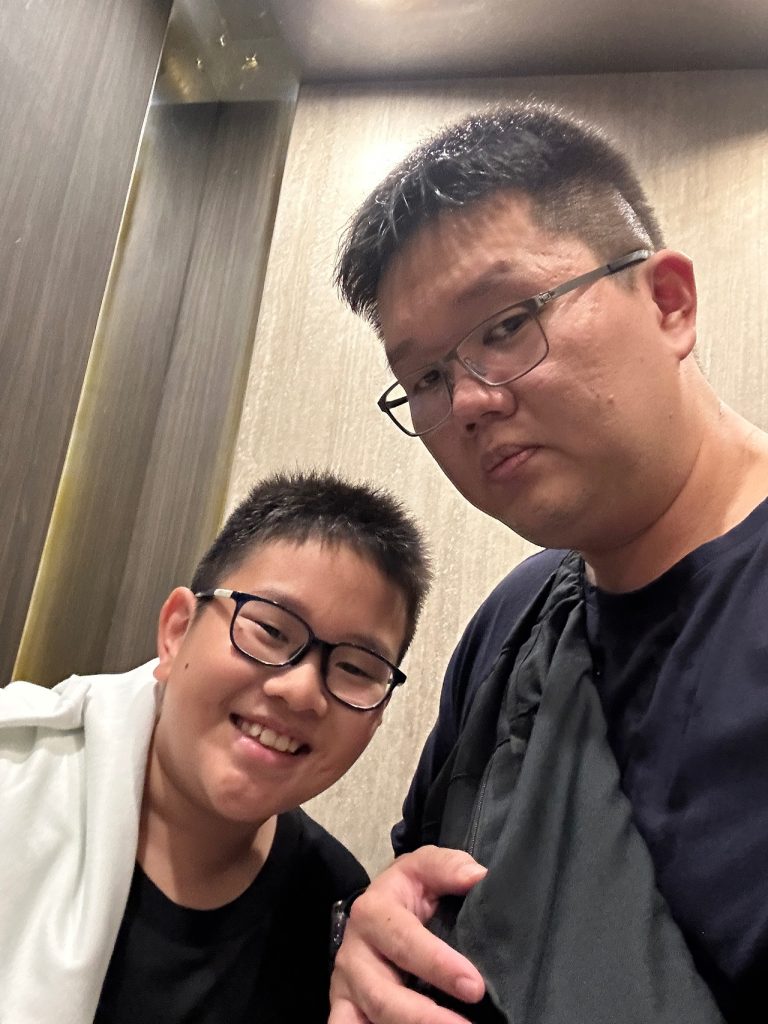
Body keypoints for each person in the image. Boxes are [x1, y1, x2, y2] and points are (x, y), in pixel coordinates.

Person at [330, 102, 768, 1024]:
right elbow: (436, 892)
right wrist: (376, 938)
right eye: (426, 378)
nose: (469, 403)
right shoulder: (518, 622)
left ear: (669, 303)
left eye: (505, 324)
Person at [0, 470, 431, 1024]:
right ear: (177, 630)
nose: (301, 691)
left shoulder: (334, 917)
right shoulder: (15, 770)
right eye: (270, 630)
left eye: (355, 668)